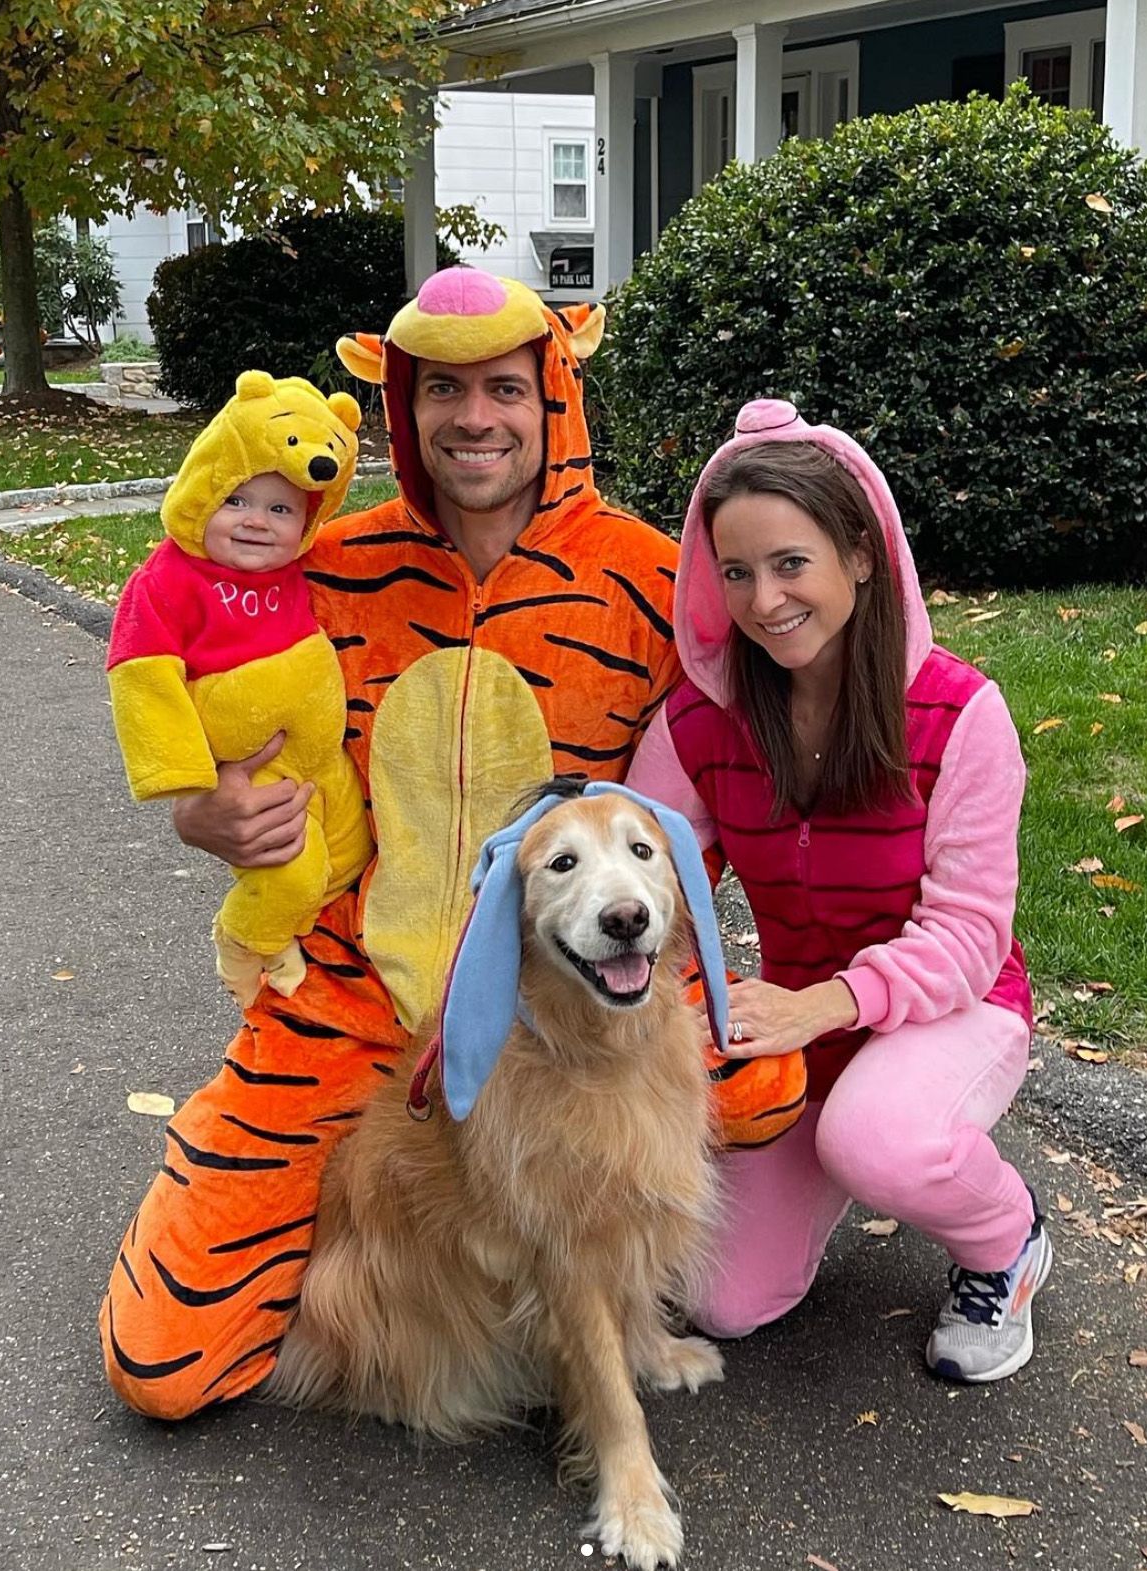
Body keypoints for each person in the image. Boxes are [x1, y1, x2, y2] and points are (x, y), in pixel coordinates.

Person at [99, 269, 803, 1420]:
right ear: (405, 411)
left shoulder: (651, 582)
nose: (475, 416)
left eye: (505, 390)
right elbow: (222, 719)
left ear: (553, 399)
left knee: (774, 1075)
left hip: (562, 998)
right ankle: (412, 1255)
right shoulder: (324, 574)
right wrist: (203, 812)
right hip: (350, 996)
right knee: (161, 1366)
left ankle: (586, 1239)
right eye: (444, 392)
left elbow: (715, 789)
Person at [626, 397, 1049, 1383]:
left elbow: (968, 937)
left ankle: (1006, 1238)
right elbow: (650, 871)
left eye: (790, 563)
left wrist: (826, 1002)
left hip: (958, 1005)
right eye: (736, 571)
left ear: (861, 554)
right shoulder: (703, 716)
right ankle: (861, 1142)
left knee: (880, 1137)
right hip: (804, 1030)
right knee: (724, 1299)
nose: (764, 599)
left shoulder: (959, 713)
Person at [106, 371, 375, 1010]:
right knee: (292, 869)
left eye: (281, 509)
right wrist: (187, 782)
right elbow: (142, 672)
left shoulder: (301, 568)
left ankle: (293, 937)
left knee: (352, 853)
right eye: (236, 501)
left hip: (323, 762)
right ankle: (246, 942)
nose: (257, 523)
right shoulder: (171, 578)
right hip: (258, 775)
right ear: (203, 491)